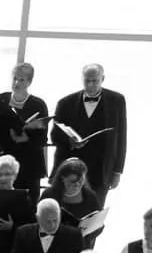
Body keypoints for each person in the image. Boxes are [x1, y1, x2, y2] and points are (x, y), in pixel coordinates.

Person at [51, 64, 126, 192]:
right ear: (82, 79)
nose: (90, 85)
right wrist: (70, 142)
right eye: (87, 80)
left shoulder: (117, 100)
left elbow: (121, 136)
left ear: (103, 79)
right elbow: (55, 136)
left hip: (101, 171)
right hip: (70, 170)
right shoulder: (65, 103)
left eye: (94, 81)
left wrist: (117, 171)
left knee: (96, 210)